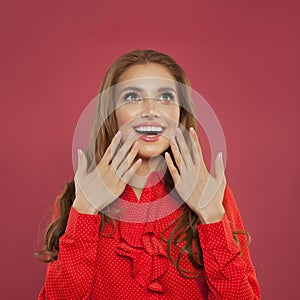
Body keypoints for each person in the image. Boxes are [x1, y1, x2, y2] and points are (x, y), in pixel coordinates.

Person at [36, 49, 260, 299]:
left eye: (166, 97)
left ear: (180, 113)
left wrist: (212, 216)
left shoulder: (212, 193)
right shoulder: (78, 198)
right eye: (132, 97)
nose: (151, 110)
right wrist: (86, 209)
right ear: (112, 114)